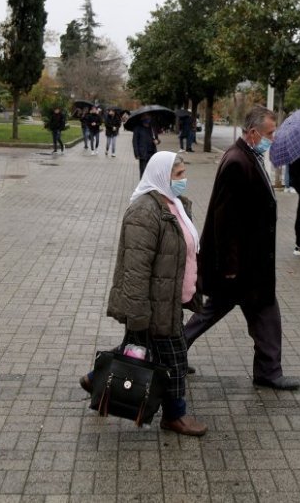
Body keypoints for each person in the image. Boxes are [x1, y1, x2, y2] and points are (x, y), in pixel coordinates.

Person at [80, 152, 207, 436]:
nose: (183, 180)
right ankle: (174, 416)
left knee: (136, 349)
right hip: (153, 305)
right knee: (175, 360)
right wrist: (139, 313)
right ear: (161, 176)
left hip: (169, 298)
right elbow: (135, 269)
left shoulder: (176, 204)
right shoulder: (144, 212)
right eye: (178, 175)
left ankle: (94, 379)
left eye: (184, 173)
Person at [184, 105, 300, 391]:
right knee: (243, 312)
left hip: (249, 265)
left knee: (258, 313)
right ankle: (268, 371)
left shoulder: (248, 156)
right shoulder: (238, 161)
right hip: (241, 267)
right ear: (252, 133)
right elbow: (226, 220)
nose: (272, 138)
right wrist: (230, 266)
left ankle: (267, 370)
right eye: (269, 133)